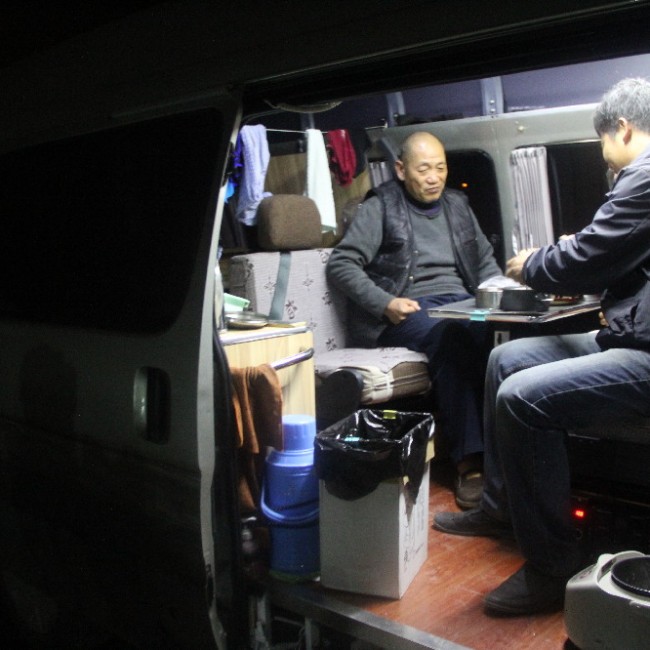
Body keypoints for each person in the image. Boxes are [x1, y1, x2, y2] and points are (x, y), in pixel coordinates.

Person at [433, 77, 650, 616]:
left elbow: (588, 256)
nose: (602, 153)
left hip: (645, 352)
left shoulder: (645, 176)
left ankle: (551, 567)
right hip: (631, 333)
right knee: (504, 358)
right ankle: (500, 508)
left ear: (623, 129)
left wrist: (531, 264)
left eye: (602, 141)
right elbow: (611, 255)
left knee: (521, 398)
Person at [326, 131, 505, 509]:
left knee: (501, 334)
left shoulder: (458, 205)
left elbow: (486, 264)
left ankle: (506, 452)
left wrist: (499, 298)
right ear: (401, 169)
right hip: (409, 311)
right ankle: (471, 463)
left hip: (463, 303)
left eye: (441, 168)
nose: (434, 177)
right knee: (452, 335)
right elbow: (341, 264)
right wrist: (385, 302)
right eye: (424, 169)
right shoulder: (381, 207)